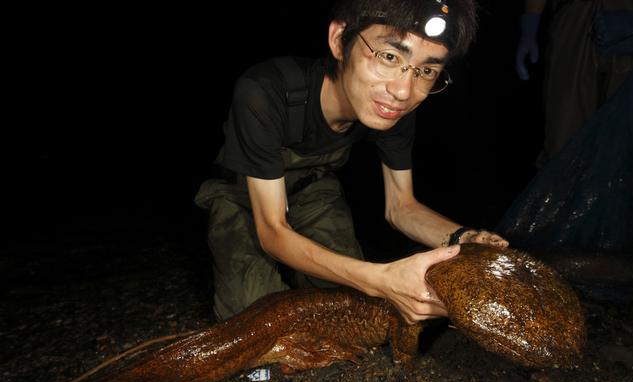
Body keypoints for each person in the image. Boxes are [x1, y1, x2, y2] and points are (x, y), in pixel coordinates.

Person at [195, 0, 508, 324]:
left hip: (312, 190)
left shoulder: (395, 111)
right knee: (255, 318)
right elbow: (272, 231)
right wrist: (380, 279)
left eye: (426, 71)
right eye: (389, 56)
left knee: (348, 310)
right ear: (339, 39)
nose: (403, 91)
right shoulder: (265, 90)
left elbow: (401, 207)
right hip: (242, 195)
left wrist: (466, 239)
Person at [515, 0, 633, 167]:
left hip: (631, 31)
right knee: (561, 148)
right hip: (572, 25)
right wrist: (530, 23)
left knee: (625, 151)